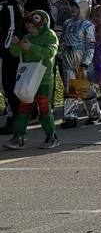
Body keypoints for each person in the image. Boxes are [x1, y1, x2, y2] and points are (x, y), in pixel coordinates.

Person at [4, 10, 59, 150]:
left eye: (33, 25)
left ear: (41, 25)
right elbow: (16, 53)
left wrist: (32, 47)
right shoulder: (27, 37)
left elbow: (50, 53)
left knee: (45, 109)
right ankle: (18, 136)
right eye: (28, 25)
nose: (30, 28)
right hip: (28, 78)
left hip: (44, 79)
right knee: (23, 108)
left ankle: (51, 136)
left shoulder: (50, 36)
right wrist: (14, 44)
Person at [58, 0, 101, 128]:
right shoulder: (67, 23)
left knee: (85, 89)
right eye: (71, 5)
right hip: (68, 57)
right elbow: (63, 41)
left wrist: (85, 62)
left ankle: (94, 113)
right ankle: (70, 116)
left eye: (76, 6)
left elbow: (91, 45)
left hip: (81, 57)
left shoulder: (87, 25)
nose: (72, 8)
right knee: (69, 88)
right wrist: (60, 55)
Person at [0, 0, 25, 134]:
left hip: (9, 53)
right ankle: (13, 117)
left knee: (9, 86)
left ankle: (15, 119)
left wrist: (5, 50)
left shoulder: (11, 2)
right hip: (4, 51)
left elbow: (12, 28)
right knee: (5, 86)